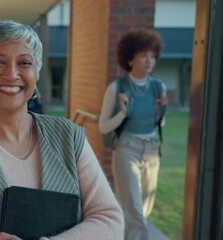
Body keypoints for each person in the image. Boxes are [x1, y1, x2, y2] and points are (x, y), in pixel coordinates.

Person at [0, 20, 124, 239]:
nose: (12, 73)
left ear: (36, 75)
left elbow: (109, 219)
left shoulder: (68, 137)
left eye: (24, 63)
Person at [98, 28, 168, 240]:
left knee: (144, 207)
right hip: (127, 149)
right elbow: (103, 126)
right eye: (143, 55)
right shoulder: (116, 87)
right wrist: (122, 113)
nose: (149, 60)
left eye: (152, 56)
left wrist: (160, 112)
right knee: (134, 208)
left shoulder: (158, 87)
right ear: (130, 59)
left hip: (152, 149)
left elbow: (160, 123)